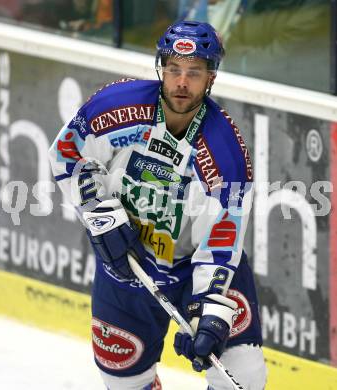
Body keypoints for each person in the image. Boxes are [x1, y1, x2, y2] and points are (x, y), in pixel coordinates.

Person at [49, 20, 267, 390]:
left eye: (194, 73)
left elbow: (221, 240)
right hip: (125, 264)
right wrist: (101, 216)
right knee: (123, 380)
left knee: (242, 376)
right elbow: (68, 155)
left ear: (211, 78)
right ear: (160, 68)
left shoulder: (226, 151)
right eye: (174, 70)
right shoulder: (115, 107)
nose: (182, 83)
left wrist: (208, 312)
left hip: (193, 269)